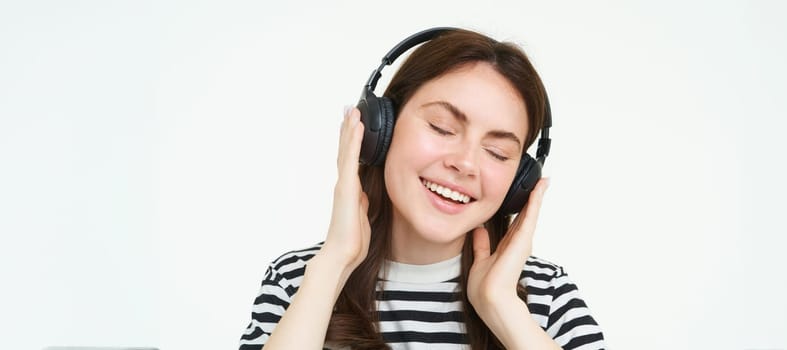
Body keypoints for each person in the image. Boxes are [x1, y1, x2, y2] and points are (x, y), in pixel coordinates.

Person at [239, 27, 606, 350]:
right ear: (380, 129)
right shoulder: (299, 279)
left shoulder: (547, 294)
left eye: (497, 152)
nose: (464, 163)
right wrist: (333, 265)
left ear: (520, 182)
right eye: (442, 128)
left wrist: (504, 309)